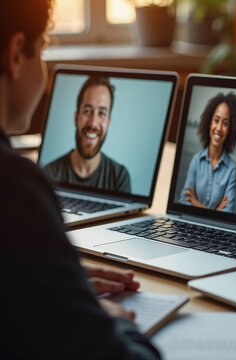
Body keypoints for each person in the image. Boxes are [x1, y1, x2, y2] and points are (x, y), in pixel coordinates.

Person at [0, 1, 160, 358]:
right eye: (41, 49)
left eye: (102, 112)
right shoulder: (15, 186)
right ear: (14, 55)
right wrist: (111, 317)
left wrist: (50, 278)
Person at [43, 76, 131, 193]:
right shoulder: (49, 174)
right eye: (87, 111)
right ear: (76, 118)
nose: (93, 123)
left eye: (101, 113)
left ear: (108, 123)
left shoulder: (119, 177)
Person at [180, 92, 236, 212]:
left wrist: (195, 202)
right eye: (216, 120)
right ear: (209, 123)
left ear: (230, 129)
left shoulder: (232, 170)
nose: (219, 128)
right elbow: (184, 201)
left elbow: (227, 212)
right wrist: (216, 212)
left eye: (225, 123)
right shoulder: (196, 160)